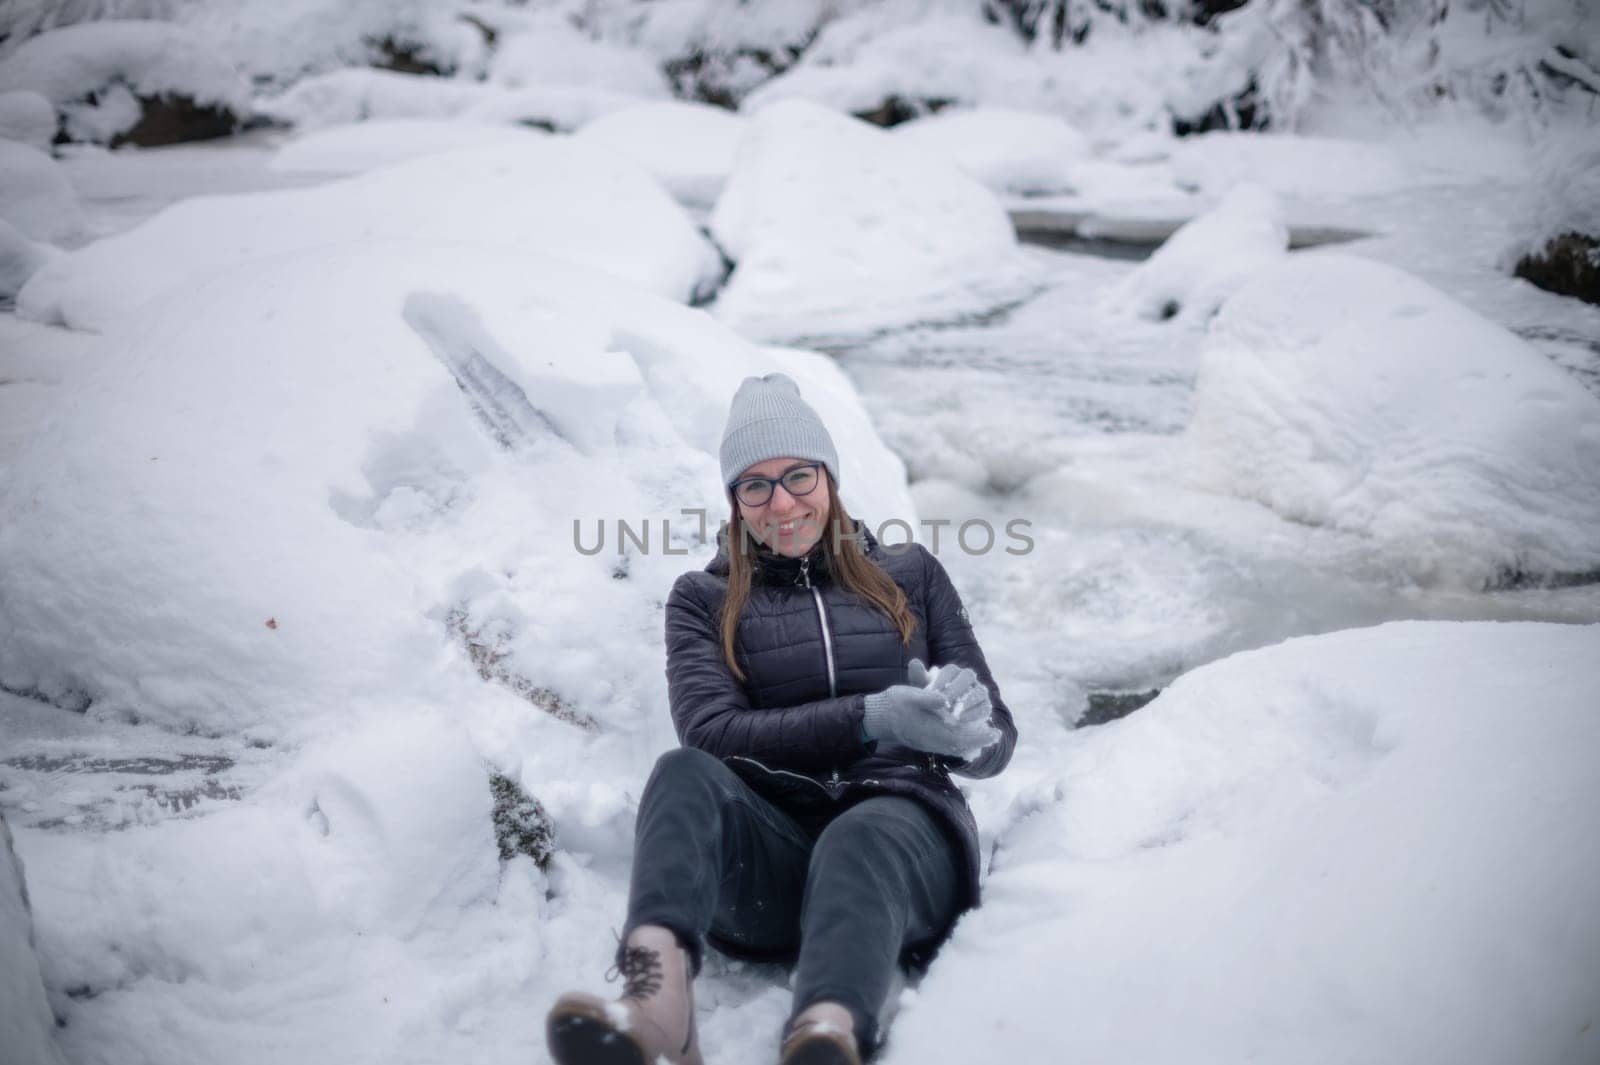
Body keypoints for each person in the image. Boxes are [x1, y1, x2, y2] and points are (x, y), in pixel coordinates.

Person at [546, 372, 1018, 1065]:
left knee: (860, 834)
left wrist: (966, 729)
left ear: (828, 475)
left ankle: (826, 1031)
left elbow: (999, 738)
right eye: (755, 485)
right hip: (776, 864)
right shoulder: (702, 599)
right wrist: (872, 715)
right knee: (681, 771)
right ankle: (657, 1001)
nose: (782, 502)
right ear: (734, 500)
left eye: (798, 475)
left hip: (901, 848)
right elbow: (711, 736)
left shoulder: (912, 573)